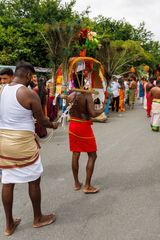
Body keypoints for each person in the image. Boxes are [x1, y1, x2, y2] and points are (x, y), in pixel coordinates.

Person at [0, 61, 59, 236]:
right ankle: (37, 218)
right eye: (31, 77)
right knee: (33, 179)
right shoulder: (28, 93)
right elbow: (43, 121)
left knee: (7, 181)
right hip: (22, 143)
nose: (32, 80)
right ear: (27, 75)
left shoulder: (2, 90)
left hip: (3, 141)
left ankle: (9, 224)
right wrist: (53, 125)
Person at [67, 74, 106, 194]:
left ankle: (76, 183)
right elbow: (93, 113)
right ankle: (87, 186)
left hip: (73, 125)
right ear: (83, 81)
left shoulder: (71, 95)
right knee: (92, 155)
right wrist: (103, 108)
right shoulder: (86, 94)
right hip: (83, 126)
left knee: (75, 154)